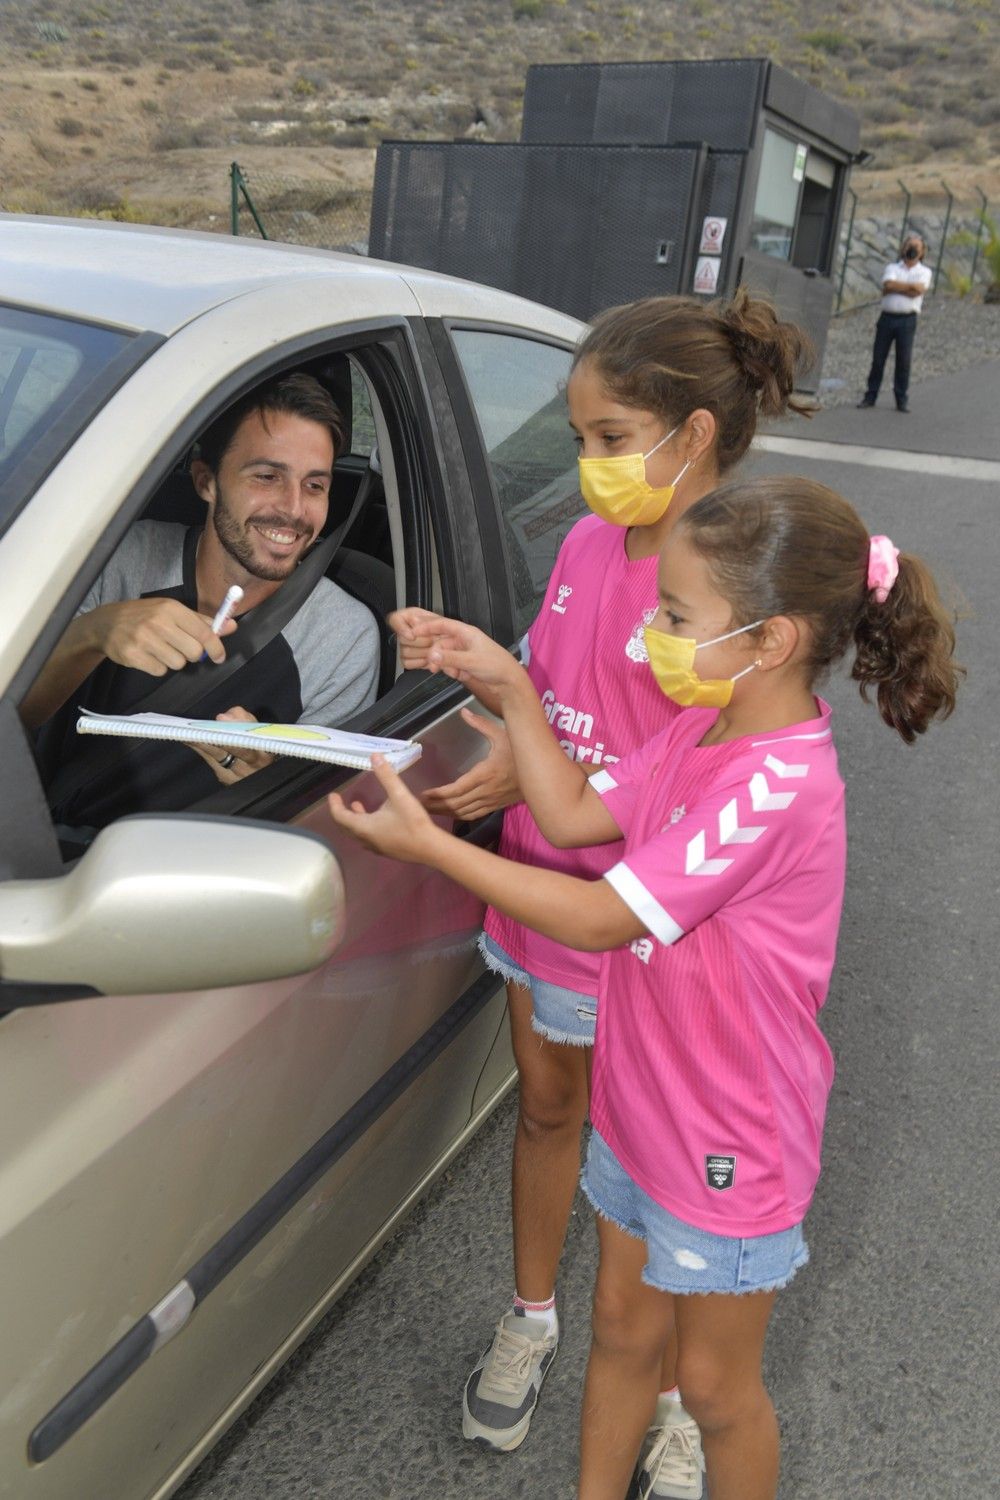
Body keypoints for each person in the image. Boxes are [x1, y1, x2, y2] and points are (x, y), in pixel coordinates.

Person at [327, 474, 960, 1500]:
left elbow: (598, 914)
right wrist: (517, 692)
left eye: (673, 617)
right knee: (621, 1331)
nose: (646, 637)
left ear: (771, 641)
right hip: (640, 1099)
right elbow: (575, 812)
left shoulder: (777, 784)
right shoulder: (698, 730)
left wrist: (428, 850)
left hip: (730, 1134)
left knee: (713, 1389)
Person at [395, 290, 811, 1496]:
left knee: (655, 1177)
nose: (587, 467)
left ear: (692, 436)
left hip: (633, 936)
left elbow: (687, 794)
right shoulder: (587, 547)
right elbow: (552, 698)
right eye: (576, 439)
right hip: (538, 892)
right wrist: (497, 763)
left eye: (609, 438)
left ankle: (680, 1393)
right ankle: (531, 1318)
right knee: (544, 1111)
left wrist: (532, 769)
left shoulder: (719, 612)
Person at [25, 372, 380, 833]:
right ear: (206, 481)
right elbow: (17, 711)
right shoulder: (121, 560)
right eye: (268, 476)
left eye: (315, 486)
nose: (294, 509)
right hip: (36, 835)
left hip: (188, 870)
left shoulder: (343, 638)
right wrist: (92, 634)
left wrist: (268, 789)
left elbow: (325, 831)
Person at [857, 234, 933, 413]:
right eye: (909, 245)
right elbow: (888, 285)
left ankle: (901, 399)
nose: (912, 249)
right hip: (887, 318)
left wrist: (898, 288)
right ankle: (870, 396)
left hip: (907, 320)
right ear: (903, 247)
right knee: (878, 359)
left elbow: (918, 290)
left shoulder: (924, 272)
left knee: (903, 361)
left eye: (916, 246)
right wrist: (909, 287)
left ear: (922, 252)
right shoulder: (892, 267)